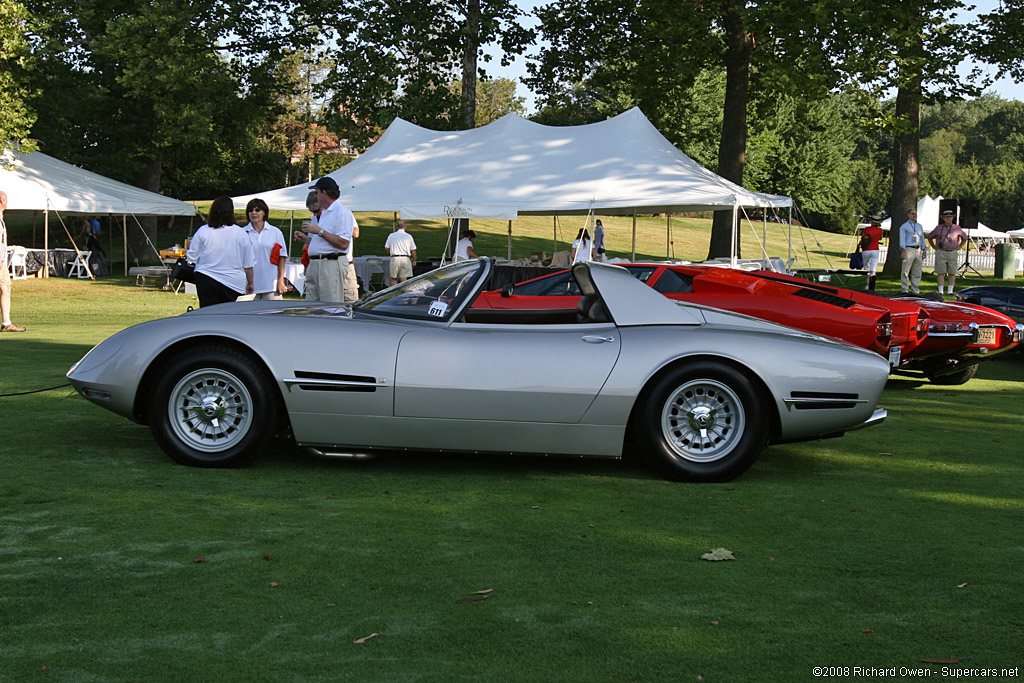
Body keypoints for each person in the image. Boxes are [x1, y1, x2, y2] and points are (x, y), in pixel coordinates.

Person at [186, 195, 255, 307]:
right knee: (229, 315)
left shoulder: (203, 231)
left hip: (206, 277)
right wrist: (250, 283)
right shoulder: (240, 233)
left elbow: (192, 257)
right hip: (233, 281)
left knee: (208, 313)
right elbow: (248, 264)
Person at [294, 177, 353, 302]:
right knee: (312, 305)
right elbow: (325, 243)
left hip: (330, 263)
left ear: (324, 193)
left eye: (317, 192)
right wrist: (306, 239)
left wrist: (319, 231)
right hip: (316, 263)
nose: (315, 195)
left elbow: (343, 243)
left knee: (329, 306)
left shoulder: (342, 212)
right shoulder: (325, 213)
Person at [243, 198, 287, 300]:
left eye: (257, 210)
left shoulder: (275, 232)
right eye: (251, 210)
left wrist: (281, 280)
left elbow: (282, 257)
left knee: (275, 315)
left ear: (264, 213)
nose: (254, 213)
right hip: (249, 285)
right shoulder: (242, 233)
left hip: (271, 284)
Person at [0, 191, 26, 332]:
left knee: (6, 287)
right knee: (5, 288)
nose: (7, 202)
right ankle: (6, 323)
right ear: (1, 201)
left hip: (2, 261)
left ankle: (6, 322)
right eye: (6, 200)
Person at [928, 209, 967, 296]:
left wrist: (960, 246)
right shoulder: (939, 228)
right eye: (946, 217)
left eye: (950, 217)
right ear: (943, 218)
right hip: (941, 251)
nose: (948, 218)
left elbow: (965, 238)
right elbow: (930, 236)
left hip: (952, 251)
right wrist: (934, 246)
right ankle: (940, 291)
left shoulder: (957, 228)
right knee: (940, 272)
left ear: (952, 218)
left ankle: (950, 291)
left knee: (952, 272)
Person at [898, 207, 926, 294]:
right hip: (908, 249)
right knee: (905, 270)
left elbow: (922, 238)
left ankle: (915, 289)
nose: (914, 215)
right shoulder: (904, 226)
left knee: (917, 271)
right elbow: (902, 238)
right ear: (908, 215)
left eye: (915, 214)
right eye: (912, 214)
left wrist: (924, 249)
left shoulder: (919, 226)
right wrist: (903, 250)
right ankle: (905, 289)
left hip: (917, 249)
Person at [384, 220, 417, 285]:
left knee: (393, 278)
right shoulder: (409, 236)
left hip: (395, 258)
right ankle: (403, 293)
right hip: (406, 259)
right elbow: (413, 250)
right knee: (404, 278)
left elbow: (386, 248)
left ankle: (395, 293)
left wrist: (391, 253)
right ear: (405, 227)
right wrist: (414, 260)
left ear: (397, 227)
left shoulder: (391, 235)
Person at [861, 215, 885, 290]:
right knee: (873, 267)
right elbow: (880, 238)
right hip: (875, 249)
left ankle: (867, 284)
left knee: (866, 267)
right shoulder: (880, 230)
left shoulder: (866, 229)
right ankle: (872, 284)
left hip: (866, 250)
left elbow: (863, 237)